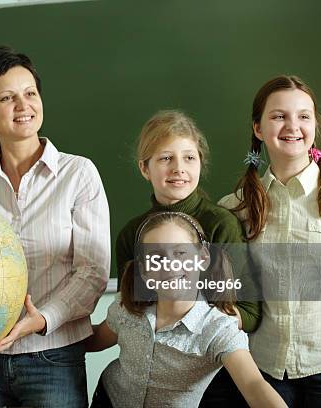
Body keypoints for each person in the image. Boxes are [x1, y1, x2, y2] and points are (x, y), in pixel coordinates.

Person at [0, 47, 110, 407]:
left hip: (53, 355)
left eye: (30, 93)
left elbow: (93, 272)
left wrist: (42, 319)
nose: (23, 106)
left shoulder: (78, 175)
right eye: (7, 98)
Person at [219, 75, 321, 407]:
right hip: (263, 371)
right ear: (258, 129)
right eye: (279, 116)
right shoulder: (236, 207)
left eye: (303, 116)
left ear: (313, 127)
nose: (292, 125)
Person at [114, 110, 261, 405]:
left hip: (212, 376)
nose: (179, 168)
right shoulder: (132, 234)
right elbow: (130, 306)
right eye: (166, 158)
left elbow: (249, 311)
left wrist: (193, 322)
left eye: (189, 158)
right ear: (145, 168)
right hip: (145, 379)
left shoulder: (221, 223)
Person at [86, 212, 286, 407]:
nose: (169, 264)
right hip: (108, 399)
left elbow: (254, 385)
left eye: (180, 253)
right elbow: (96, 340)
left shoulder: (217, 329)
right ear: (144, 271)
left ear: (203, 258)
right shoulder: (128, 308)